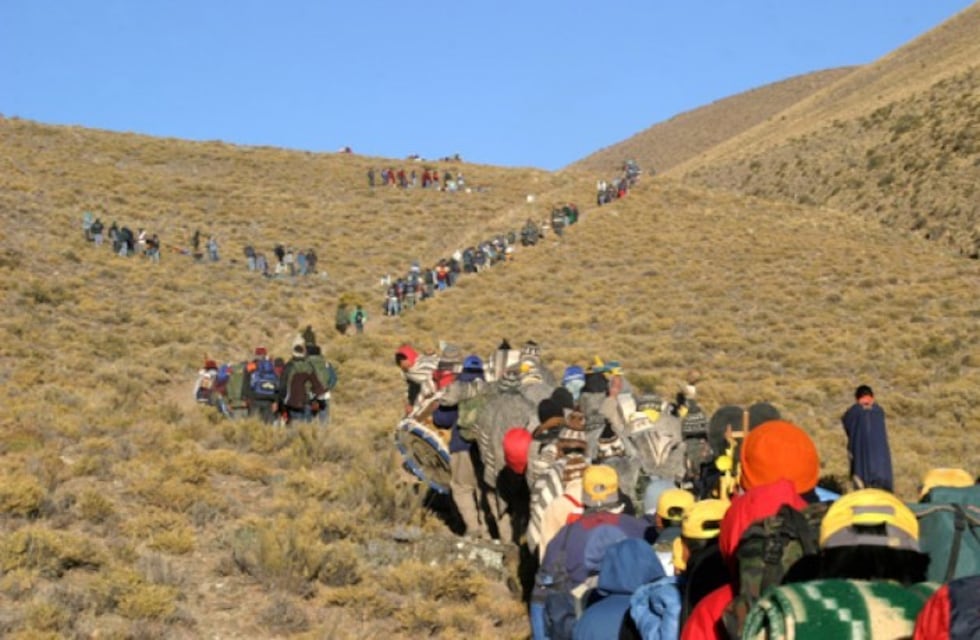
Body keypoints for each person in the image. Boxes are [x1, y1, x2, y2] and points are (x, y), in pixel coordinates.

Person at [841, 384, 894, 491]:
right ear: (872, 397)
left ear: (857, 398)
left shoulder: (853, 413)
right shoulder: (878, 412)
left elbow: (847, 425)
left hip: (862, 469)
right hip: (883, 469)